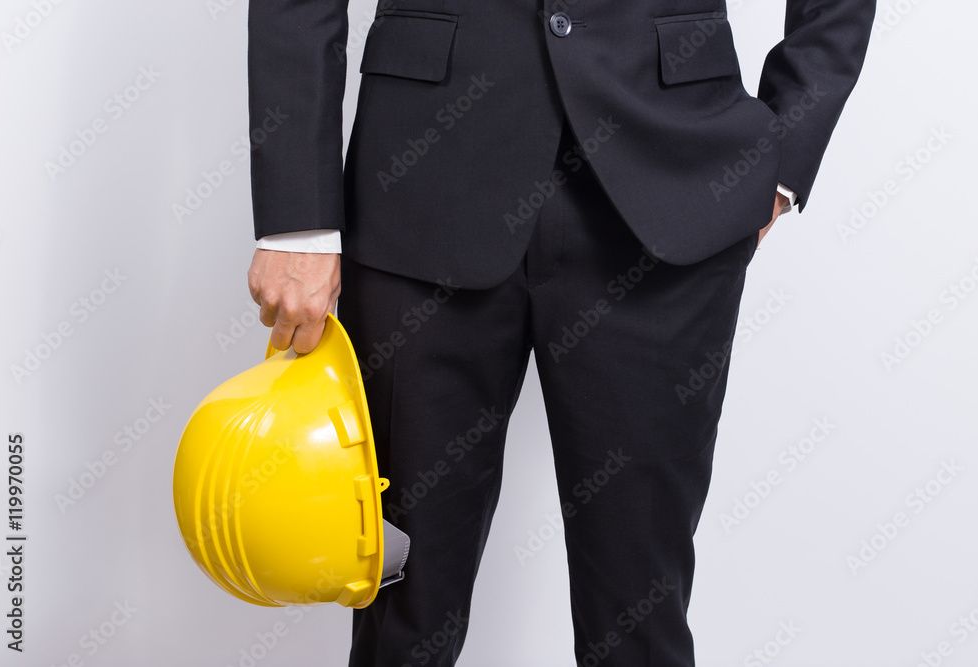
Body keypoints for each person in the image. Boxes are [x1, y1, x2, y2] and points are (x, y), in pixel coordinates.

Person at [245, 1, 875, 664]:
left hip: (669, 193)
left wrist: (783, 162)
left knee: (640, 619)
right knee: (402, 615)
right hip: (423, 187)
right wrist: (298, 222)